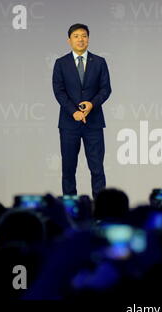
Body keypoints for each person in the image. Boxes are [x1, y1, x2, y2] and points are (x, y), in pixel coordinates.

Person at [52, 23, 111, 200]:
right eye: (76, 36)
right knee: (68, 169)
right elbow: (58, 91)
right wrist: (74, 112)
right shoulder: (61, 63)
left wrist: (92, 104)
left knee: (97, 169)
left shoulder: (99, 62)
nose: (80, 39)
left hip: (94, 123)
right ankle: (71, 209)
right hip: (69, 124)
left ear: (88, 39)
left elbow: (105, 89)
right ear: (69, 40)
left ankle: (101, 211)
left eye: (84, 35)